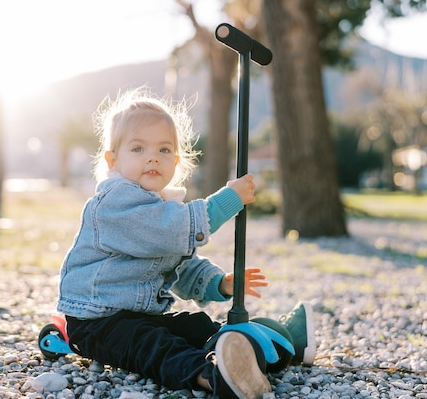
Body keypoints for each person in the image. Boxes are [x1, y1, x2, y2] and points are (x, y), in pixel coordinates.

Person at [57, 87, 315, 399]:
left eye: (164, 150)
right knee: (152, 346)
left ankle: (269, 344)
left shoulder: (163, 206)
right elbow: (168, 232)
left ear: (176, 161)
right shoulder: (114, 203)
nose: (153, 156)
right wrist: (225, 202)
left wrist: (219, 283)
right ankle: (213, 375)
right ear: (113, 160)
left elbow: (182, 266)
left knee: (197, 326)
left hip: (140, 315)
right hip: (98, 322)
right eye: (138, 148)